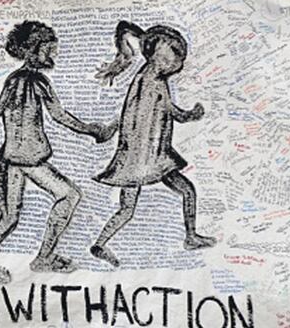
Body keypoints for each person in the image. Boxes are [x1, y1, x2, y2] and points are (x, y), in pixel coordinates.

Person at [0, 21, 113, 284]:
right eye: (49, 50)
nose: (54, 55)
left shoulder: (13, 80)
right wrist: (92, 130)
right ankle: (44, 257)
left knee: (10, 217)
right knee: (69, 195)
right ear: (34, 50)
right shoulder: (37, 81)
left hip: (11, 160)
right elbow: (59, 116)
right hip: (30, 161)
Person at [89, 21, 217, 268]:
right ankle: (189, 236)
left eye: (175, 61)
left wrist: (113, 129)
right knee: (186, 191)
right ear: (155, 55)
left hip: (143, 157)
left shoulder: (147, 77)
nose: (174, 65)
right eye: (169, 59)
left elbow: (134, 112)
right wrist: (190, 115)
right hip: (149, 158)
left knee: (128, 209)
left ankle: (100, 243)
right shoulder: (153, 81)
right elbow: (172, 113)